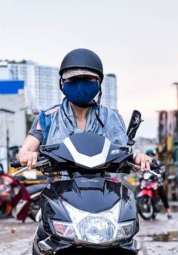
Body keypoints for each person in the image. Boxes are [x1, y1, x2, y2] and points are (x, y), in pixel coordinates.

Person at [17, 48, 150, 171]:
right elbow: (25, 151)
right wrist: (27, 155)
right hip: (59, 188)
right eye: (73, 79)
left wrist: (138, 157)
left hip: (103, 188)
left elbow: (124, 152)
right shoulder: (47, 118)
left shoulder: (111, 117)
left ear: (98, 82)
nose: (80, 84)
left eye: (87, 78)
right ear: (62, 82)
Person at [145, 148, 172, 219]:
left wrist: (157, 174)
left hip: (157, 182)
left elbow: (162, 170)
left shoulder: (159, 163)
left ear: (154, 155)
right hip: (148, 182)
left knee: (163, 195)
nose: (150, 156)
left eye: (151, 155)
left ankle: (168, 212)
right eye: (148, 155)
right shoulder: (145, 163)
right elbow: (142, 171)